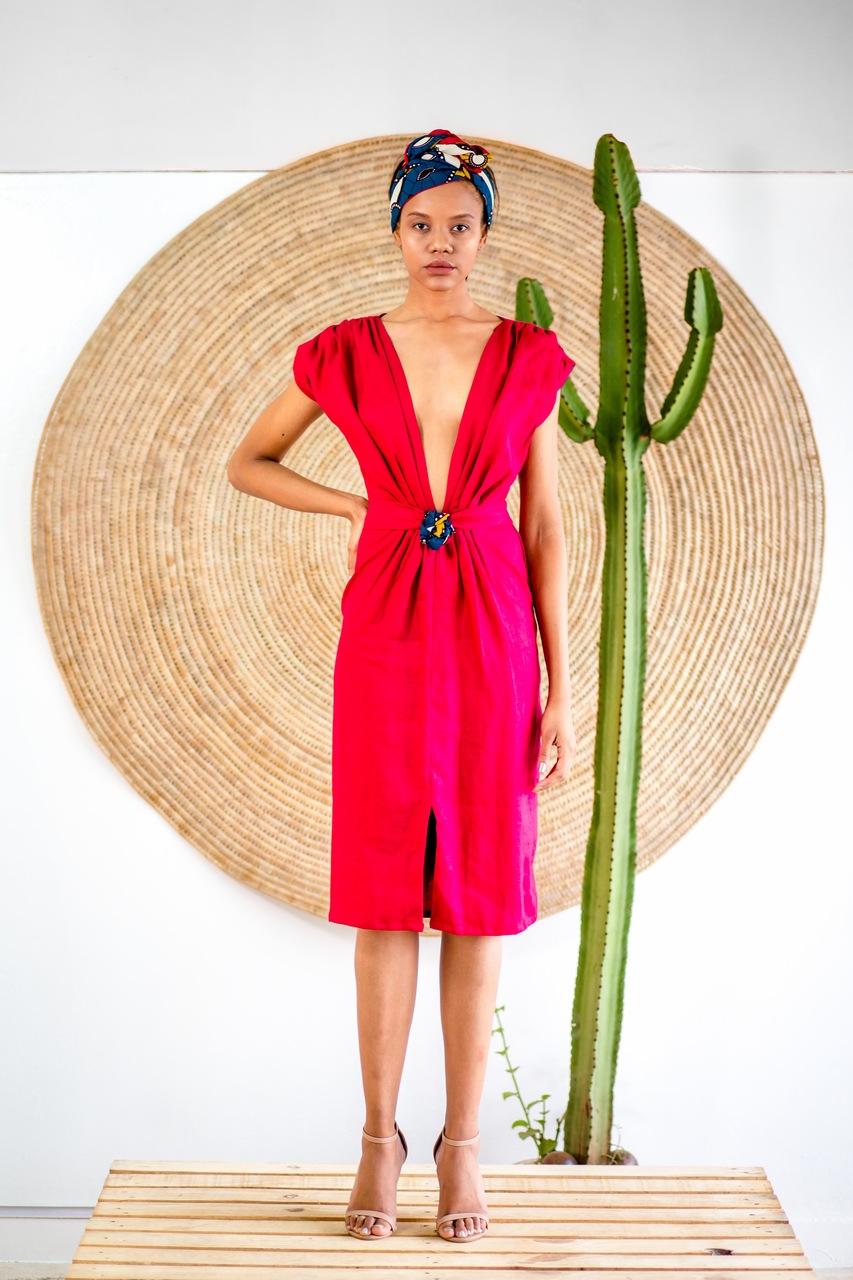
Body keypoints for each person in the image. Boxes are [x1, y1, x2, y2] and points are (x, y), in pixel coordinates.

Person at [227, 127, 578, 1244]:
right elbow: (249, 460)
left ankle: (462, 1145)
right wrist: (355, 506)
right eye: (420, 223)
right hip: (382, 621)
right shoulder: (342, 351)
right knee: (385, 885)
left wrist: (562, 686)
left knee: (479, 891)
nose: (439, 243)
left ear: (485, 234)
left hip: (493, 628)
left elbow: (546, 527)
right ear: (393, 229)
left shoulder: (526, 355)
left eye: (459, 225)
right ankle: (378, 1139)